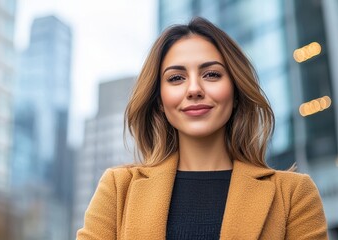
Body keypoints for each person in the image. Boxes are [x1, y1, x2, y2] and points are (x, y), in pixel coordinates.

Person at [77, 17, 328, 240]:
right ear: (160, 101)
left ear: (236, 92)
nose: (194, 89)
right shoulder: (118, 188)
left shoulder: (293, 195)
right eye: (176, 78)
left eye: (211, 74)